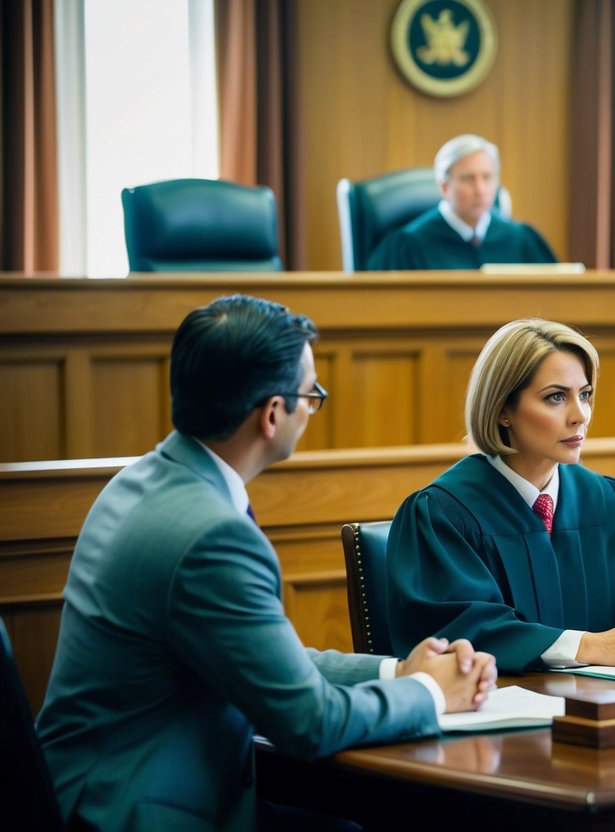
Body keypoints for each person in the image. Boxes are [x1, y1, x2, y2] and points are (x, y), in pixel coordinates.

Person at [35, 295, 497, 830]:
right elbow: (310, 722)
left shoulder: (141, 481)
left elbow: (267, 660)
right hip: (140, 811)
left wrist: (398, 669)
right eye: (311, 394)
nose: (312, 406)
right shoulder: (212, 534)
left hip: (101, 788)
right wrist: (433, 692)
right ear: (273, 414)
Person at [386, 318, 615, 674]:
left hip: (611, 712)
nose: (580, 416)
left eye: (585, 394)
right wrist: (590, 646)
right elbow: (457, 633)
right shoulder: (443, 513)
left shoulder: (608, 503)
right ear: (502, 411)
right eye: (556, 397)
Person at [367, 134, 556, 270]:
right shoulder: (407, 246)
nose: (480, 190)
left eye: (487, 177)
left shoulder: (521, 239)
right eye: (468, 179)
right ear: (444, 187)